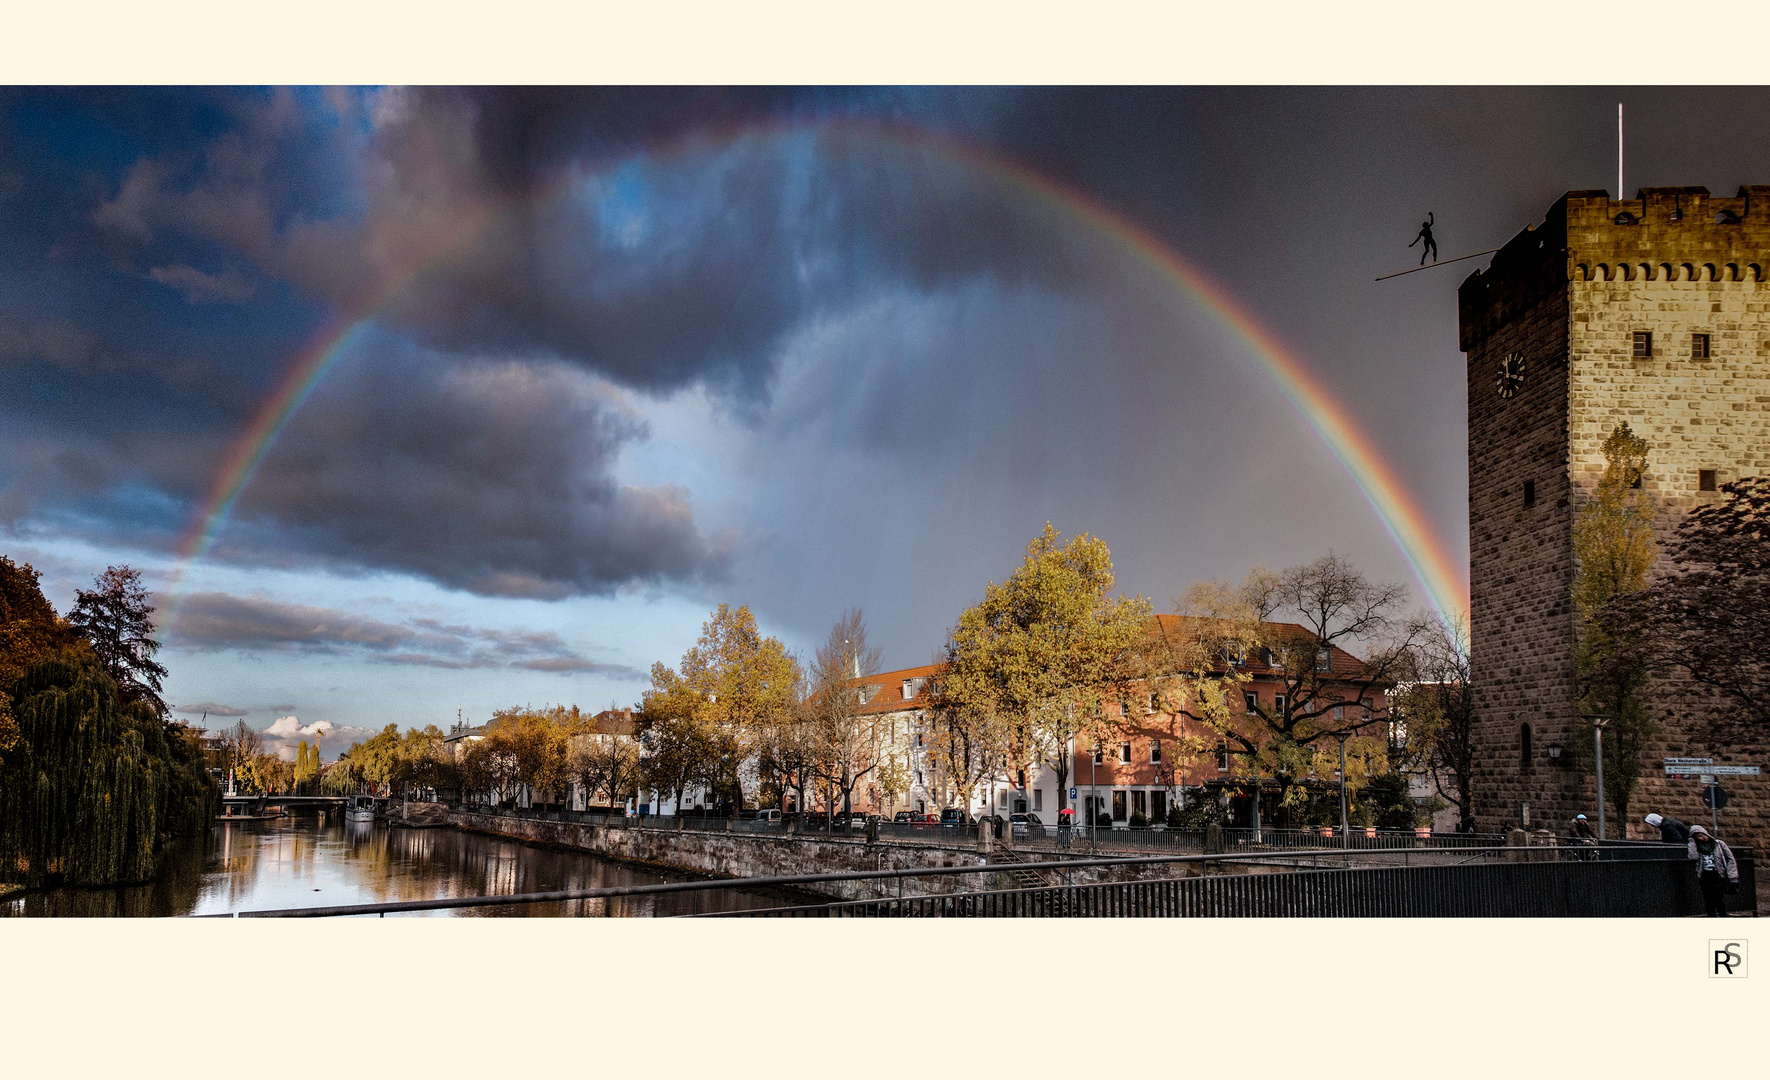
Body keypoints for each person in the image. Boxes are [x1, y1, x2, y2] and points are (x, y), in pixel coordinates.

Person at [1687, 825, 1740, 917]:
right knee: (1707, 898)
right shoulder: (1696, 846)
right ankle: (1711, 916)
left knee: (1718, 898)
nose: (1703, 837)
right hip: (1704, 875)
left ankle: (1722, 915)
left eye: (1703, 834)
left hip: (1718, 874)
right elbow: (1693, 857)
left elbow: (1730, 859)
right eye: (1699, 836)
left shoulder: (1718, 844)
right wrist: (1692, 843)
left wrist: (1732, 875)